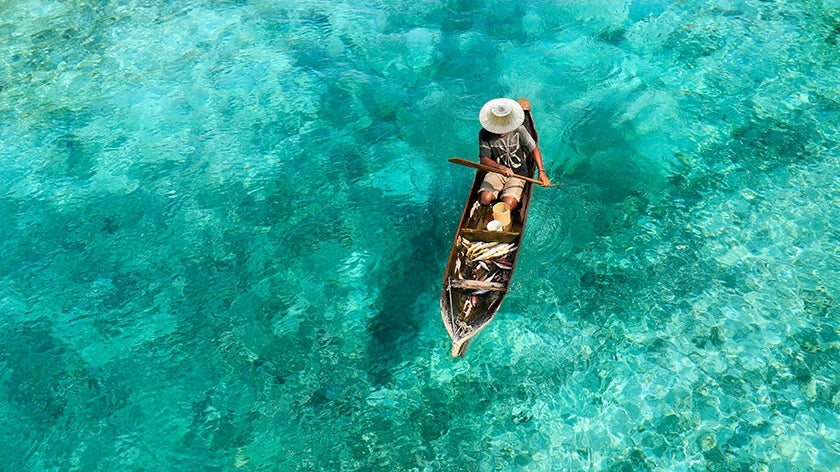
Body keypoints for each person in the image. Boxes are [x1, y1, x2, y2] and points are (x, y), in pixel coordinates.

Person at [477, 98, 551, 211]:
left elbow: (534, 148)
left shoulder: (519, 130)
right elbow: (484, 159)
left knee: (508, 205)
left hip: (518, 173)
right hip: (496, 171)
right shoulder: (484, 134)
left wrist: (541, 172)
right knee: (485, 199)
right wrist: (500, 167)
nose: (501, 131)